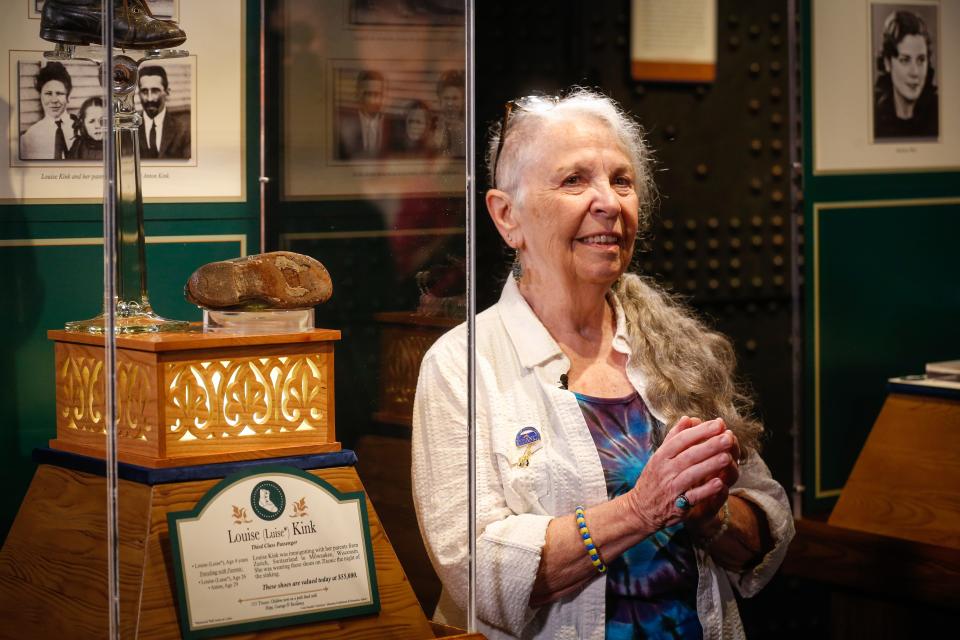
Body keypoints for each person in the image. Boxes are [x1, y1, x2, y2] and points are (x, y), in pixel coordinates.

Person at [412, 89, 794, 639]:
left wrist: (713, 518)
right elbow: (474, 571)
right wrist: (641, 509)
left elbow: (766, 521)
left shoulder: (677, 347)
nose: (609, 203)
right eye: (573, 181)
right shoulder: (461, 367)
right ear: (506, 216)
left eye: (622, 180)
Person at [874, 10, 938, 140]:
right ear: (887, 63)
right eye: (905, 60)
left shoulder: (940, 114)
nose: (915, 72)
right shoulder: (872, 116)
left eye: (921, 60)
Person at [20, 61, 76, 160]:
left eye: (59, 93)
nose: (54, 100)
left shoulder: (82, 129)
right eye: (48, 93)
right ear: (40, 96)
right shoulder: (29, 137)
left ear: (68, 96)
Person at [137, 65, 191, 159]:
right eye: (144, 91)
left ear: (167, 92)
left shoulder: (183, 131)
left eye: (155, 91)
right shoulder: (128, 130)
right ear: (139, 94)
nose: (150, 99)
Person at [337, 70, 393, 160]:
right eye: (368, 94)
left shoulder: (391, 126)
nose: (372, 100)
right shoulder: (343, 126)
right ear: (357, 94)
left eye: (377, 94)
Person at [432, 70, 465, 157]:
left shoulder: (468, 129)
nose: (450, 103)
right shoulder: (433, 126)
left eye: (455, 98)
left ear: (463, 101)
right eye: (446, 98)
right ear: (440, 100)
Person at [67, 96, 104, 160]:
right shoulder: (78, 146)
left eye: (103, 121)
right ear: (83, 123)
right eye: (91, 121)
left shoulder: (118, 145)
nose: (97, 126)